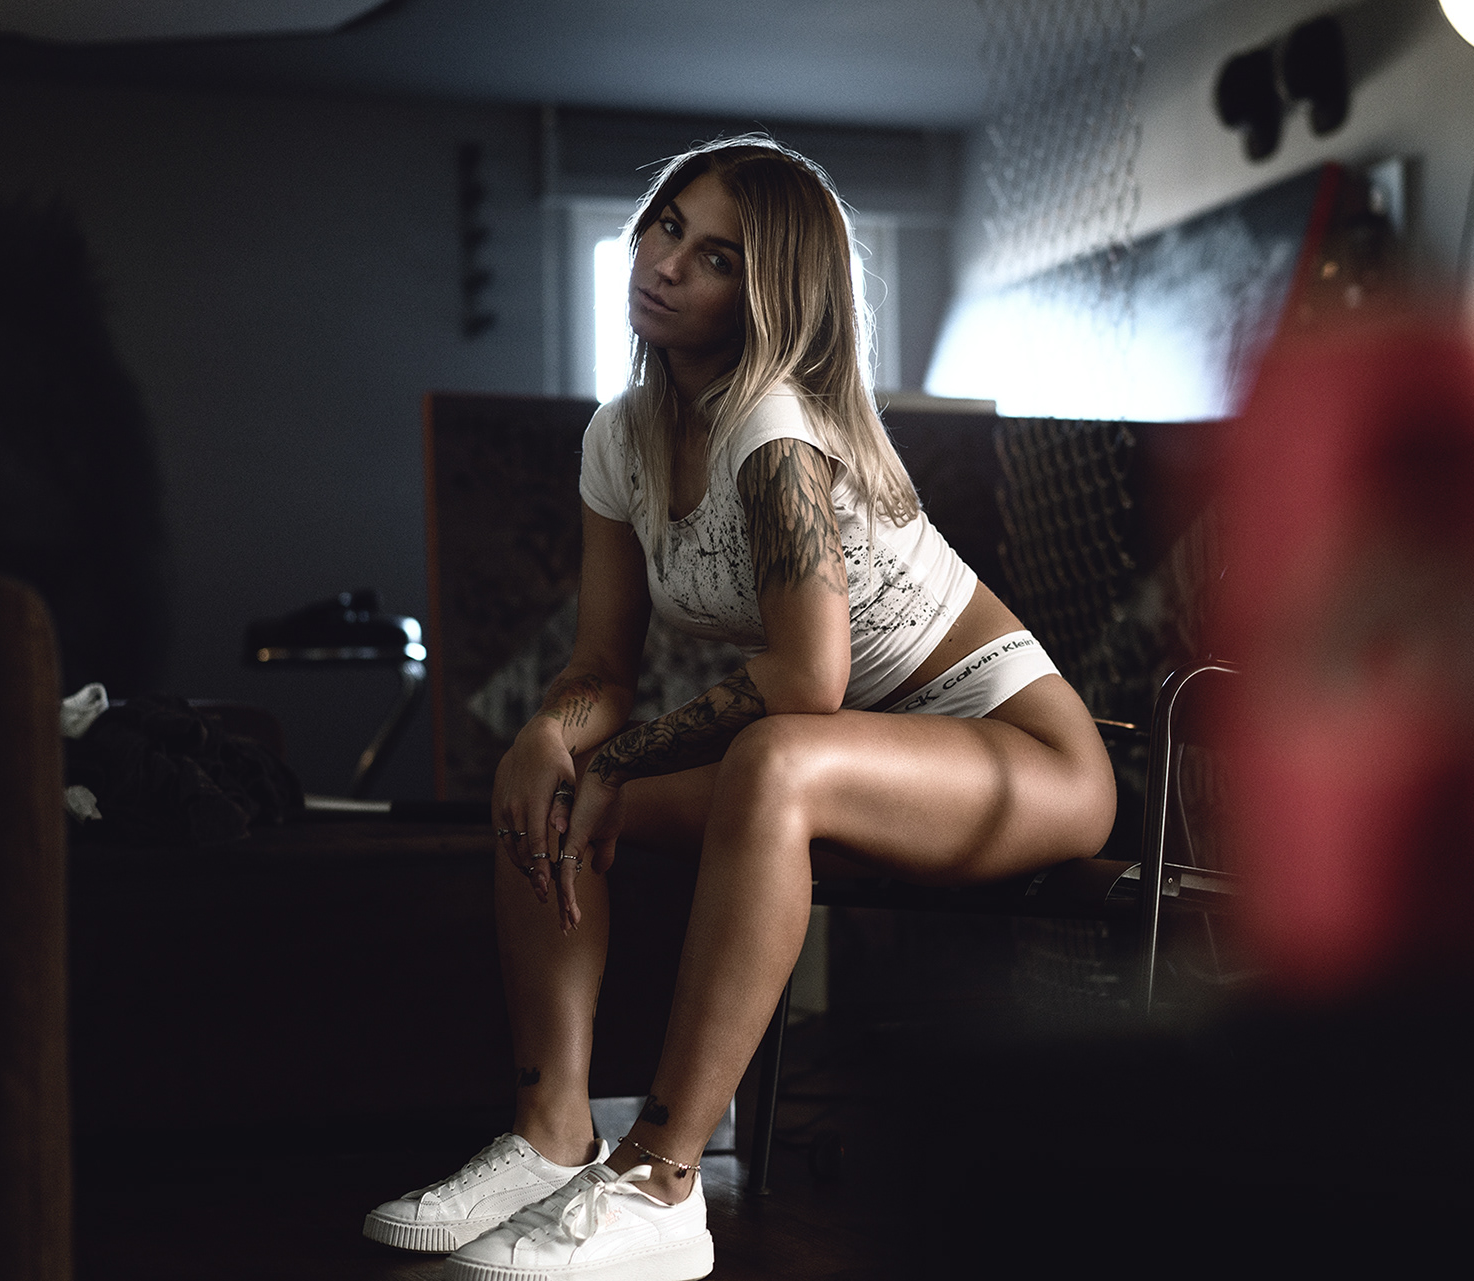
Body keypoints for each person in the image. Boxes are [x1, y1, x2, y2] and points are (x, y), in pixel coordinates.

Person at [364, 137, 1116, 1281]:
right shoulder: (621, 436)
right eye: (667, 226)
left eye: (716, 258)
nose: (666, 264)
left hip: (1025, 758)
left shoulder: (775, 430)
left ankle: (664, 1182)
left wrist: (624, 756)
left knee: (774, 758)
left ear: (768, 296)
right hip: (857, 761)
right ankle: (550, 1133)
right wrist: (551, 736)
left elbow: (808, 685)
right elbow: (602, 662)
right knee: (557, 794)